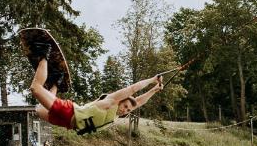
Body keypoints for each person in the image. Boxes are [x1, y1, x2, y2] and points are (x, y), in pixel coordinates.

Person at [31, 50, 163, 136]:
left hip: (69, 123)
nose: (126, 110)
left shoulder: (116, 114)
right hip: (70, 112)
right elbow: (133, 89)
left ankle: (55, 83)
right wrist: (152, 80)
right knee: (36, 88)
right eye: (125, 106)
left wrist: (154, 90)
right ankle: (45, 54)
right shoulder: (111, 101)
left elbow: (139, 101)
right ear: (120, 101)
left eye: (128, 110)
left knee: (38, 110)